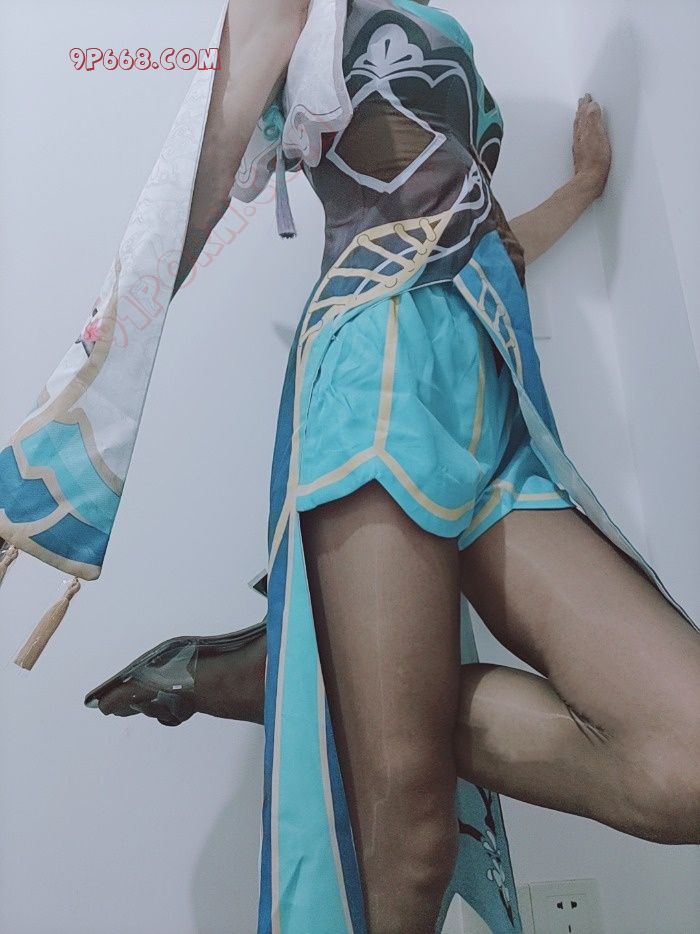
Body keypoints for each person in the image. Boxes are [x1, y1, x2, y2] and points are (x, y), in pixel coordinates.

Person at [6, 1, 698, 932]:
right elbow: (201, 175)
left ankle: (291, 671)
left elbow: (478, 242)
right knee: (411, 847)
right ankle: (306, 668)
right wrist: (71, 417)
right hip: (378, 373)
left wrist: (583, 187)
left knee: (684, 761)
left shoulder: (442, 30)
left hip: (494, 395)